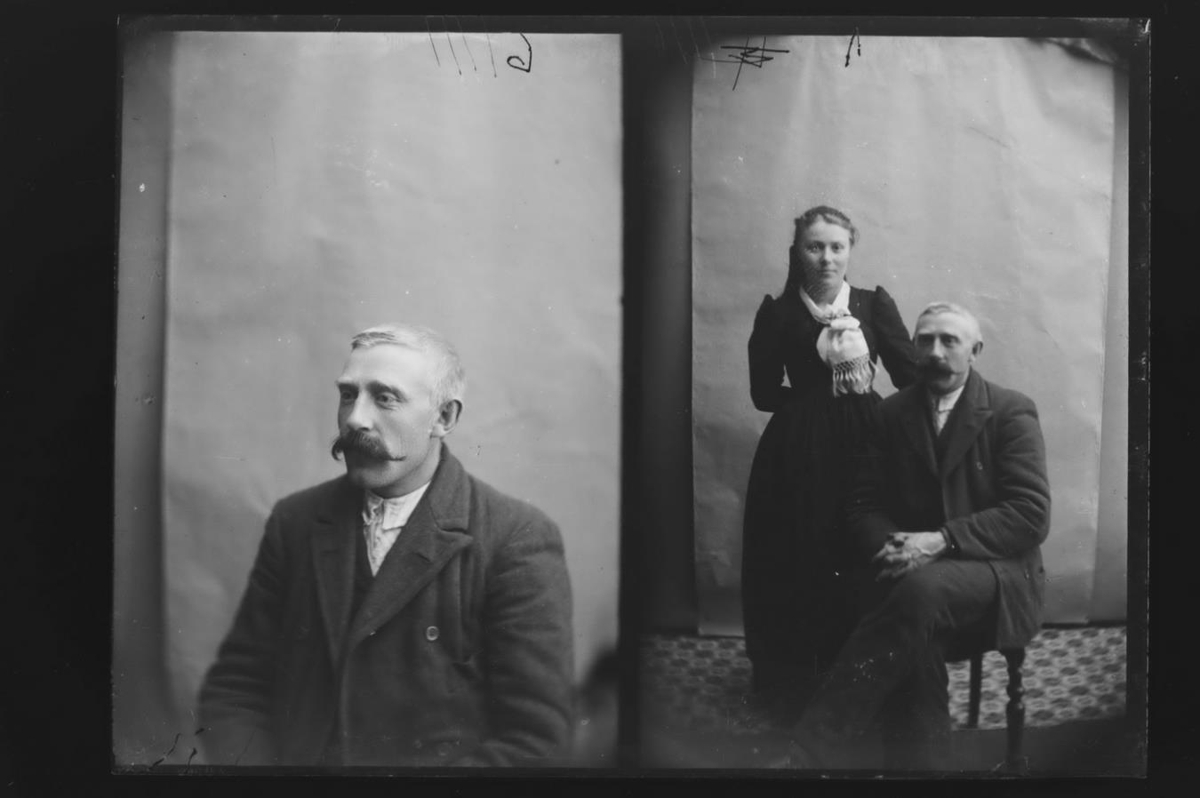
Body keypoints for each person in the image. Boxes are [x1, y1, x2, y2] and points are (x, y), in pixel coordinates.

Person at [197, 323, 575, 767]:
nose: (355, 418)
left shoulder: (515, 538)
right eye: (347, 395)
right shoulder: (296, 522)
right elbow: (236, 689)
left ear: (444, 418)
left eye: (385, 397)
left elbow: (536, 744)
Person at [776, 302, 1051, 770]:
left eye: (949, 341)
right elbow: (863, 504)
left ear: (975, 351)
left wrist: (940, 541)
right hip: (918, 581)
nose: (935, 352)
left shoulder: (1010, 411)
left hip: (998, 576)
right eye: (925, 340)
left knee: (916, 592)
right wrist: (895, 547)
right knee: (916, 627)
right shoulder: (891, 413)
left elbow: (1030, 514)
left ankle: (809, 750)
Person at [742, 206, 918, 718]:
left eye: (836, 247)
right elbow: (762, 393)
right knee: (803, 553)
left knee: (865, 548)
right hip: (800, 453)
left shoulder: (872, 305)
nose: (826, 258)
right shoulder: (778, 313)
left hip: (870, 444)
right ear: (798, 252)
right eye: (814, 247)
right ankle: (799, 684)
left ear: (850, 251)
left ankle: (866, 680)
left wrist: (873, 412)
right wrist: (810, 410)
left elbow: (910, 378)